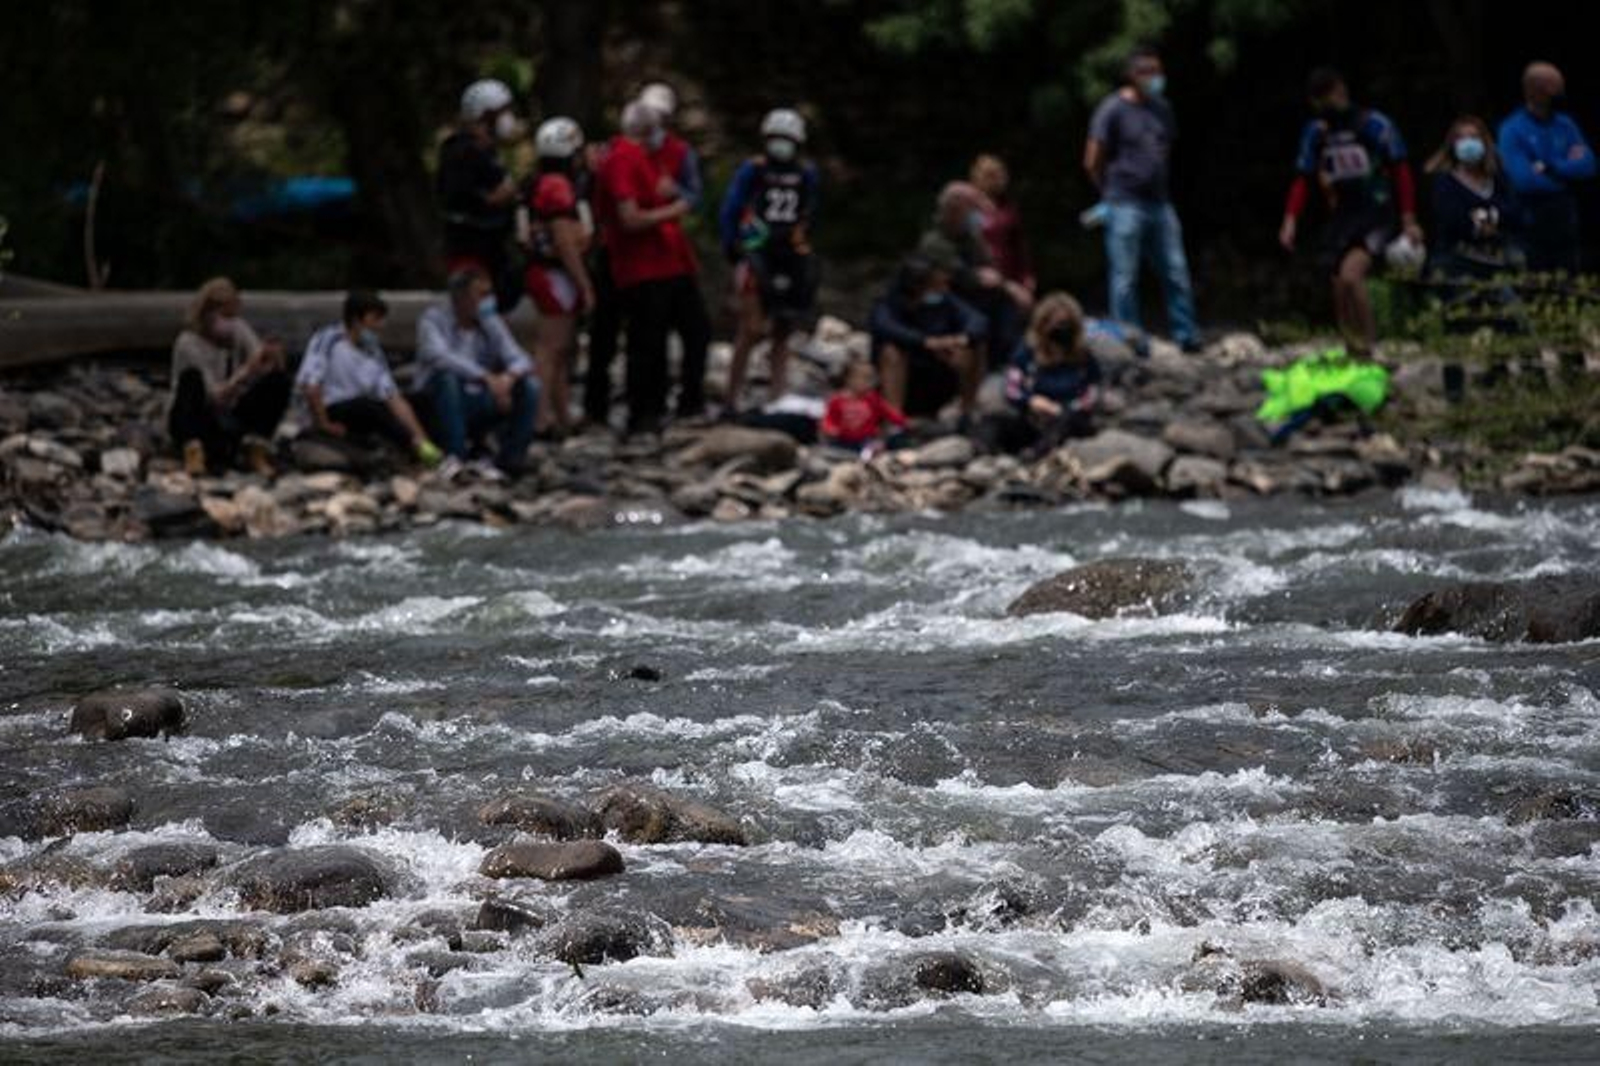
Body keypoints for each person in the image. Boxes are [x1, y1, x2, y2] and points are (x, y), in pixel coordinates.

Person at [1278, 68, 1422, 357]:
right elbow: (1303, 178)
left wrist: (1409, 218)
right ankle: (1351, 348)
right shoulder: (1317, 132)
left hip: (1376, 213)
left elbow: (1401, 170)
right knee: (1336, 283)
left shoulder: (1374, 124)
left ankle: (1369, 348)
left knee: (1352, 275)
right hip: (1343, 216)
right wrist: (1290, 219)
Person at [596, 100, 711, 434]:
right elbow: (629, 217)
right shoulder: (622, 158)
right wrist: (673, 210)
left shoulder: (649, 157)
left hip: (668, 261)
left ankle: (678, 402)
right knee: (646, 341)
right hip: (641, 265)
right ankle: (642, 411)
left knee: (690, 331)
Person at [1084, 44, 1201, 352]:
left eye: (1156, 71)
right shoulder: (1112, 109)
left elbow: (1166, 150)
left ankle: (1186, 335)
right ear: (1130, 74)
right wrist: (1108, 194)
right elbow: (1092, 158)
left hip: (1160, 202)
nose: (1153, 77)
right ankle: (1130, 341)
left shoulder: (1163, 108)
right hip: (1124, 203)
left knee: (1176, 272)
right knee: (1124, 278)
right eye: (1145, 71)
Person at [719, 107, 821, 410]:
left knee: (784, 327)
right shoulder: (754, 170)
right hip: (756, 253)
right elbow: (731, 209)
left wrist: (801, 242)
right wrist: (734, 247)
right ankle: (731, 398)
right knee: (751, 328)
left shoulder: (806, 174)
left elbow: (810, 212)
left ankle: (778, 397)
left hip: (789, 254)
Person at [416, 269, 539, 478]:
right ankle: (456, 455)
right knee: (447, 379)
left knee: (530, 386)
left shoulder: (490, 321)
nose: (487, 300)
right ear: (461, 297)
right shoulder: (433, 320)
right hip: (441, 398)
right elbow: (437, 355)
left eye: (488, 293)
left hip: (481, 396)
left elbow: (520, 358)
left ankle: (512, 457)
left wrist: (508, 379)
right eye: (480, 294)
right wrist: (484, 376)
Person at [296, 291, 441, 467]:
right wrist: (323, 423)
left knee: (421, 400)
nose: (380, 325)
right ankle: (413, 449)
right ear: (357, 320)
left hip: (360, 409)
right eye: (376, 319)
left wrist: (421, 437)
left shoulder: (373, 350)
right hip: (330, 408)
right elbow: (311, 385)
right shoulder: (328, 339)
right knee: (368, 407)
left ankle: (427, 450)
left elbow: (392, 397)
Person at [167, 277, 290, 476]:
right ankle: (193, 451)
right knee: (191, 379)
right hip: (199, 416)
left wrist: (271, 359)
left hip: (226, 417)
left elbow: (257, 356)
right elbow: (214, 396)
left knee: (278, 382)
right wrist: (245, 372)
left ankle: (255, 448)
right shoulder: (188, 344)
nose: (230, 323)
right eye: (224, 316)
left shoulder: (237, 330)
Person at [524, 116, 596, 437]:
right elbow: (564, 241)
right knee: (551, 348)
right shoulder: (557, 187)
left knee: (561, 348)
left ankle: (562, 413)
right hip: (554, 275)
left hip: (550, 273)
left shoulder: (539, 182)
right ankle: (540, 416)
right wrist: (584, 283)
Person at [1497, 62, 1595, 274]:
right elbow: (1524, 180)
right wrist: (1567, 170)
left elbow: (1588, 166)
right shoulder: (1512, 129)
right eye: (1554, 86)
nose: (1560, 92)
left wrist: (1549, 167)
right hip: (1531, 221)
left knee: (1570, 281)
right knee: (1538, 283)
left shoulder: (1566, 124)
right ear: (1534, 89)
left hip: (1566, 218)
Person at [918, 181, 1029, 364]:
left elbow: (989, 264)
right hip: (949, 299)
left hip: (978, 294)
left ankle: (1012, 358)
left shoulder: (969, 235)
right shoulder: (933, 242)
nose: (977, 215)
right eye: (971, 209)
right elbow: (966, 276)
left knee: (1005, 300)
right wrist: (1007, 286)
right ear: (954, 210)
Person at [868, 253, 986, 422]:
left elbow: (977, 320)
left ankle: (968, 410)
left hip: (939, 371)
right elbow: (885, 327)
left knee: (973, 347)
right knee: (891, 352)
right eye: (937, 284)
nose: (943, 289)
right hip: (908, 373)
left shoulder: (946, 302)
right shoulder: (888, 303)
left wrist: (961, 339)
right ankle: (894, 419)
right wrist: (925, 342)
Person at [983, 293, 1102, 457]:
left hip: (1068, 417)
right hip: (1033, 417)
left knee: (1067, 423)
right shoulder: (1026, 353)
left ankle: (1040, 452)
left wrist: (1062, 409)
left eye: (1065, 324)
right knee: (993, 422)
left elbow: (1093, 393)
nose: (1060, 330)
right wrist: (1031, 401)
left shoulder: (1084, 357)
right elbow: (1011, 388)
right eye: (1056, 324)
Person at [438, 79, 522, 311]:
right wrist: (496, 198)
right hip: (471, 246)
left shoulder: (488, 152)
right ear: (486, 115)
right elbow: (459, 197)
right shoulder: (460, 151)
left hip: (493, 246)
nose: (508, 118)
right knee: (474, 309)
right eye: (502, 112)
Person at [1426, 116, 1522, 283]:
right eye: (1461, 138)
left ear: (1484, 142)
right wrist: (1492, 218)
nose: (1468, 143)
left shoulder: (1499, 178)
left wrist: (1479, 217)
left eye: (1474, 137)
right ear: (1452, 145)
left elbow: (1514, 213)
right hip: (1456, 264)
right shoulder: (1444, 181)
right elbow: (1454, 220)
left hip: (1498, 262)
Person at [970, 153, 1035, 297]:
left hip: (1009, 279)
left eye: (1000, 175)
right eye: (991, 175)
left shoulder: (1008, 208)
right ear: (978, 177)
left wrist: (1027, 275)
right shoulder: (969, 207)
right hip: (979, 279)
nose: (998, 180)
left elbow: (1019, 245)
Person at [638, 82, 705, 211]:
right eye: (649, 112)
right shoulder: (622, 147)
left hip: (664, 228)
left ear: (668, 118)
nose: (654, 118)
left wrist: (676, 190)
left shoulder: (683, 151)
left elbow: (697, 198)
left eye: (661, 114)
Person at [820, 360, 907, 455]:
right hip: (842, 439)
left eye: (871, 379)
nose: (869, 383)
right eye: (865, 378)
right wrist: (830, 429)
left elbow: (890, 414)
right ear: (849, 379)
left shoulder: (873, 399)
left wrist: (904, 422)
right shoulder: (837, 400)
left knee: (878, 446)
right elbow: (828, 419)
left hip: (866, 440)